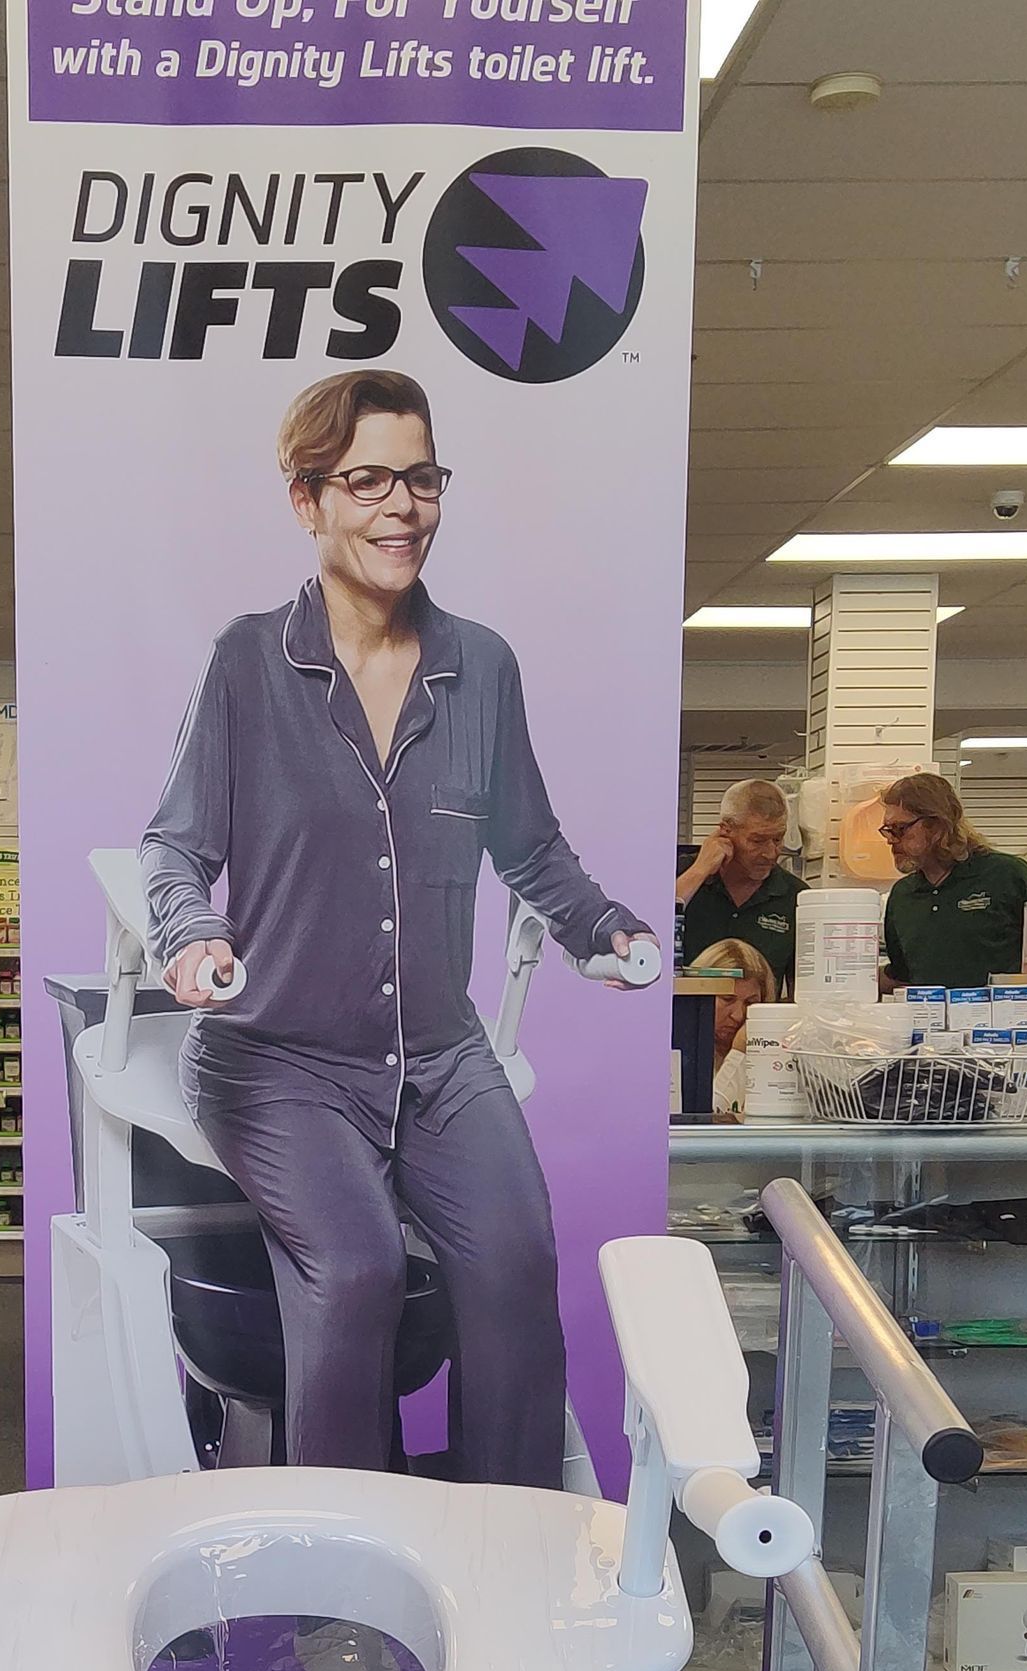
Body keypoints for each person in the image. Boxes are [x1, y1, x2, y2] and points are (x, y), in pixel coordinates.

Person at [141, 368, 657, 1487]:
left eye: (421, 478)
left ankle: (511, 1543)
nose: (402, 506)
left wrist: (599, 926)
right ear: (307, 500)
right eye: (368, 479)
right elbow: (174, 845)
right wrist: (187, 935)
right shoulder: (247, 662)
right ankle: (345, 1580)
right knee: (360, 1267)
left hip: (440, 1053)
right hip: (277, 1060)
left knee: (517, 1262)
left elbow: (530, 847)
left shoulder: (483, 668)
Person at [880, 772, 1027, 990]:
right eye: (887, 830)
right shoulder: (903, 895)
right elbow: (901, 975)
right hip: (928, 1019)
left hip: (1003, 1018)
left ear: (937, 826)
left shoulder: (1006, 876)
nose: (891, 840)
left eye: (900, 829)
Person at [675, 780, 801, 993]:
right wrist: (699, 871)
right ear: (726, 831)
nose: (770, 853)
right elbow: (647, 928)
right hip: (680, 1020)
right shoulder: (678, 874)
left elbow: (802, 995)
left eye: (778, 839)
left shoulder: (796, 897)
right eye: (757, 841)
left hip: (758, 1024)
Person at [688, 937, 778, 1118]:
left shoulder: (773, 1059)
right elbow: (707, 1119)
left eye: (750, 1002)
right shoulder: (680, 1053)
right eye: (727, 999)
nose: (738, 1015)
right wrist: (738, 1053)